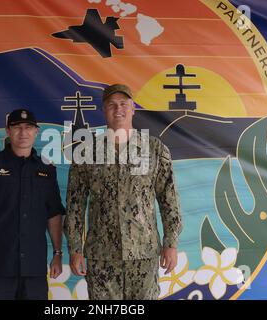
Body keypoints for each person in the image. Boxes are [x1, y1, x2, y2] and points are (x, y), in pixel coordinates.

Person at [64, 84, 183, 300]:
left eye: (123, 104)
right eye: (111, 105)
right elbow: (75, 206)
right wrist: (74, 248)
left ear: (133, 108)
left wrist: (171, 243)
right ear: (104, 110)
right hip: (102, 257)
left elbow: (169, 201)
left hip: (143, 255)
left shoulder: (154, 149)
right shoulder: (87, 152)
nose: (118, 109)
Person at [0, 109, 65, 300]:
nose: (23, 132)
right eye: (17, 127)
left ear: (36, 131)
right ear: (8, 131)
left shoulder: (47, 169)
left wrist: (58, 253)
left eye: (28, 127)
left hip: (34, 270)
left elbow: (54, 214)